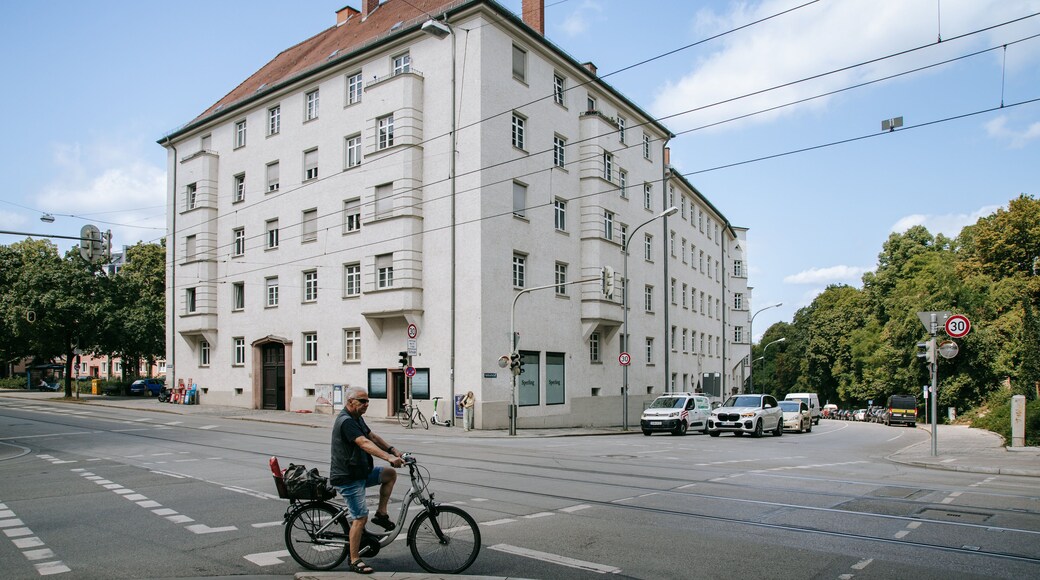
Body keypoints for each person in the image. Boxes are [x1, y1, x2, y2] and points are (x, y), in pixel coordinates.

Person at [329, 386, 404, 575]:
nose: (366, 404)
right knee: (360, 517)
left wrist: (392, 450)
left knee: (389, 474)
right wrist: (388, 458)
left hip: (360, 472)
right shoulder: (346, 421)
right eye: (362, 401)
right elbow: (363, 442)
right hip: (348, 477)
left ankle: (381, 514)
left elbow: (372, 436)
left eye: (368, 400)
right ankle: (354, 559)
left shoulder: (357, 418)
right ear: (350, 402)